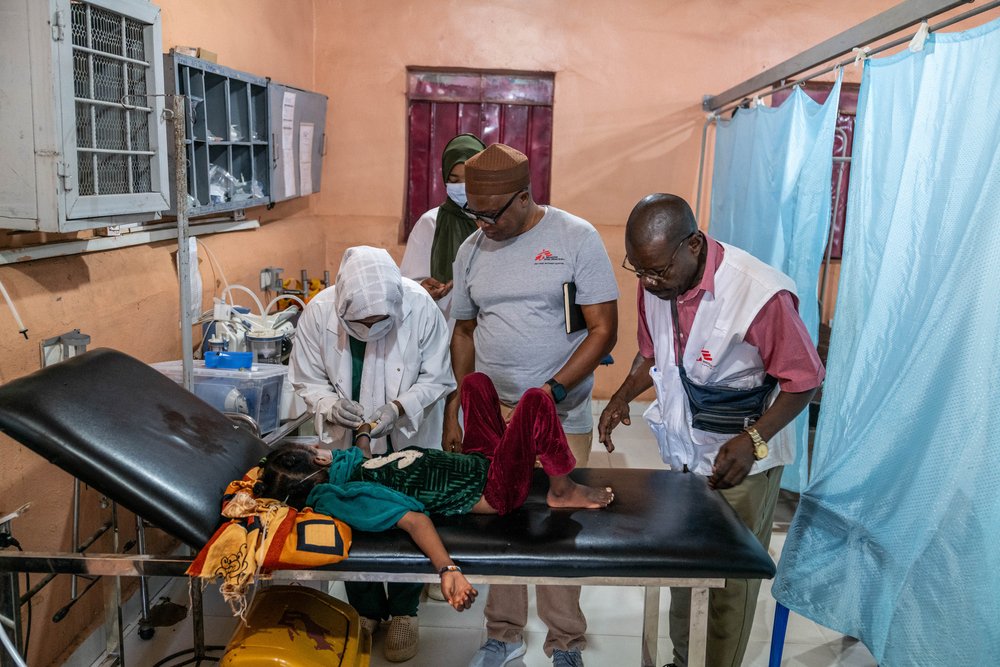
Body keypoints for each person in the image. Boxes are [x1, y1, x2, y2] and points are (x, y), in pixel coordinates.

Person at [597, 193, 825, 667]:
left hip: (742, 462)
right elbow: (652, 352)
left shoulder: (760, 296)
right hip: (684, 455)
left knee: (727, 582)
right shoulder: (655, 281)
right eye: (638, 270)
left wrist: (755, 440)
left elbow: (804, 381)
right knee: (685, 566)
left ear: (694, 246)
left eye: (658, 270)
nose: (648, 281)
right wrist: (621, 396)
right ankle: (685, 659)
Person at [446, 143, 619, 667]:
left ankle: (565, 642)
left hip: (559, 412)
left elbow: (603, 331)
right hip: (495, 412)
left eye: (491, 214)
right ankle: (503, 634)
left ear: (524, 197)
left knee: (557, 529)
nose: (482, 224)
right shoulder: (472, 249)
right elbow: (464, 329)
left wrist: (553, 392)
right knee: (502, 521)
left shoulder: (574, 238)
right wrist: (461, 402)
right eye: (472, 212)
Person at [288, 245, 455, 663]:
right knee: (349, 513)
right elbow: (307, 378)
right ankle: (364, 608)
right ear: (342, 305)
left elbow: (437, 378)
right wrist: (329, 405)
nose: (370, 328)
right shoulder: (318, 313)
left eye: (380, 322)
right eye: (361, 323)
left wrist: (398, 409)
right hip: (347, 442)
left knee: (406, 515)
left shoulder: (419, 307)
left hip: (408, 434)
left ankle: (404, 611)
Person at [400, 132, 486, 329]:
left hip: (491, 333)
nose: (462, 187)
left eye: (469, 179)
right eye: (454, 180)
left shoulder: (498, 222)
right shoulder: (431, 223)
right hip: (444, 327)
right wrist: (423, 289)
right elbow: (407, 284)